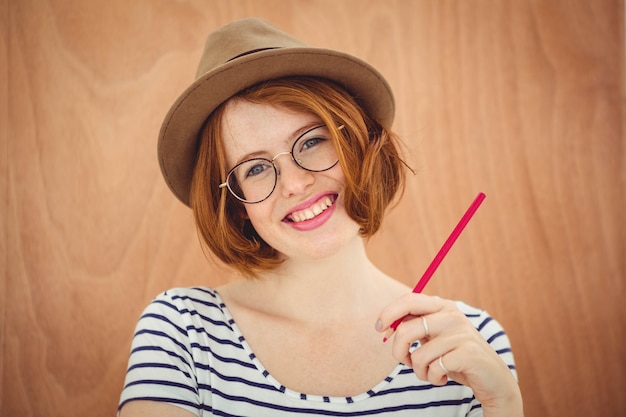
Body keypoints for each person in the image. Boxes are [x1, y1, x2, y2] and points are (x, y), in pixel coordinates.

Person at [118, 18, 523, 417]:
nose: (294, 184)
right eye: (256, 168)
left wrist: (503, 405)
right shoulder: (183, 331)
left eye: (311, 141)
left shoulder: (469, 339)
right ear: (237, 205)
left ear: (359, 144)